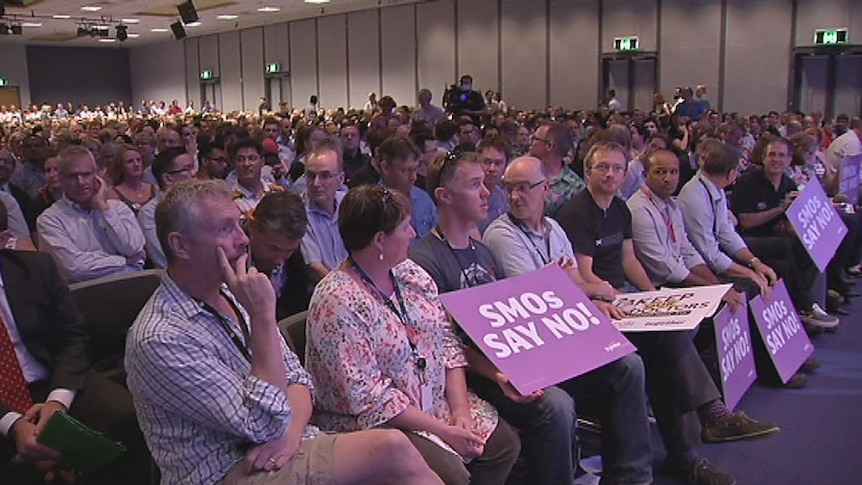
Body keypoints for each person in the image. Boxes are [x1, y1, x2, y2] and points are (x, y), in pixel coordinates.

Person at [125, 179, 442, 485]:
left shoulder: (233, 293)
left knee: (396, 462)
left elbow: (300, 381)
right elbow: (261, 425)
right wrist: (263, 317)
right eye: (225, 229)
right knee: (392, 450)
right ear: (181, 245)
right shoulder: (160, 336)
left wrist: (290, 438)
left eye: (239, 225)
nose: (243, 239)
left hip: (288, 445)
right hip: (228, 471)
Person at [413, 151, 653, 485]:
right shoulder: (425, 261)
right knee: (556, 405)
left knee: (627, 365)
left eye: (485, 183)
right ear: (445, 196)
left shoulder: (482, 252)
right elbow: (443, 347)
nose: (489, 193)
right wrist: (500, 372)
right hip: (479, 371)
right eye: (475, 185)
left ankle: (631, 478)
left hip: (517, 357)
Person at [557, 141, 779, 485]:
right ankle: (707, 423)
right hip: (596, 307)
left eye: (617, 168)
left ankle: (688, 451)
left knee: (667, 342)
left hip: (624, 299)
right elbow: (584, 276)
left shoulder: (619, 209)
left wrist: (651, 296)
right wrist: (620, 297)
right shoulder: (577, 213)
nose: (611, 174)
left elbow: (629, 260)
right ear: (588, 172)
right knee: (666, 340)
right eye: (603, 167)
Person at [306, 184, 520, 485]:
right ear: (380, 240)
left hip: (430, 404)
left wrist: (459, 411)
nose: (414, 235)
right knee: (452, 472)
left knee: (502, 445)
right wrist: (443, 430)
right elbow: (369, 399)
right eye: (405, 228)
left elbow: (446, 342)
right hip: (373, 424)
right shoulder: (337, 301)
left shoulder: (410, 274)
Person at [0, 202, 149, 485]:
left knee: (126, 416)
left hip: (51, 379)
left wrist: (57, 402)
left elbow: (73, 336)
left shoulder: (35, 268)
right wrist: (12, 423)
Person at [730, 138, 839, 329]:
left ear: (789, 160)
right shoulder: (747, 182)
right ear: (763, 158)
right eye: (772, 154)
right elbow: (746, 221)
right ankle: (805, 304)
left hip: (776, 241)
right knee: (784, 246)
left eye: (781, 155)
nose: (776, 159)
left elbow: (787, 223)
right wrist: (780, 209)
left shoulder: (788, 184)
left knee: (807, 251)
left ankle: (801, 309)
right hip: (747, 241)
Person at [37, 146, 145, 283]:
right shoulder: (49, 220)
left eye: (86, 175)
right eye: (73, 176)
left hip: (134, 285)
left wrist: (104, 209)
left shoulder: (117, 208)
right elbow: (74, 268)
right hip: (86, 296)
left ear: (97, 176)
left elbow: (133, 248)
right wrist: (124, 260)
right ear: (61, 179)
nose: (81, 182)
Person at [247, 191, 314, 321]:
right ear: (252, 226)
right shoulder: (229, 262)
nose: (279, 260)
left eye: (289, 251)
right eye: (273, 249)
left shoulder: (295, 259)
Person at [138, 147, 197, 269]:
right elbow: (163, 258)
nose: (193, 174)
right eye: (186, 169)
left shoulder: (199, 203)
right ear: (167, 178)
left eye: (193, 167)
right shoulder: (149, 213)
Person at [299, 141, 348, 283]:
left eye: (325, 176)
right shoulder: (300, 212)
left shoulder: (349, 204)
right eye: (311, 176)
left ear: (340, 179)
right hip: (324, 290)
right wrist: (344, 290)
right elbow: (314, 267)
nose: (316, 183)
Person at [378, 135, 438, 242]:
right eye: (406, 171)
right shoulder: (373, 207)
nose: (413, 177)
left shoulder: (423, 198)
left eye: (415, 169)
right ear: (385, 168)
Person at [107, 144, 157, 214]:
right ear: (120, 166)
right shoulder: (113, 194)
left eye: (138, 160)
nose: (136, 164)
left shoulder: (154, 189)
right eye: (130, 161)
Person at [476, 137, 510, 234]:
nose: (492, 168)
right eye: (487, 162)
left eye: (498, 163)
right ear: (477, 162)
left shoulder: (503, 195)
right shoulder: (467, 195)